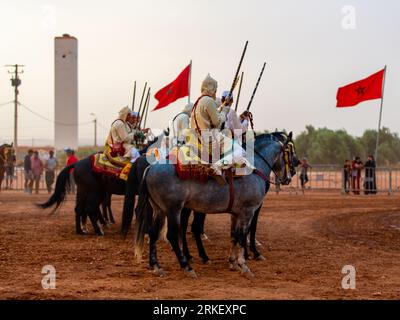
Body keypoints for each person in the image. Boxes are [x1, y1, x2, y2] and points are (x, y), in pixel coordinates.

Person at [189, 74, 252, 177]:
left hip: (198, 138)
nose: (215, 91)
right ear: (211, 88)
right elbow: (217, 122)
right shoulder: (209, 101)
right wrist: (226, 110)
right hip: (211, 138)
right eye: (215, 89)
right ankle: (217, 166)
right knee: (241, 152)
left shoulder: (198, 102)